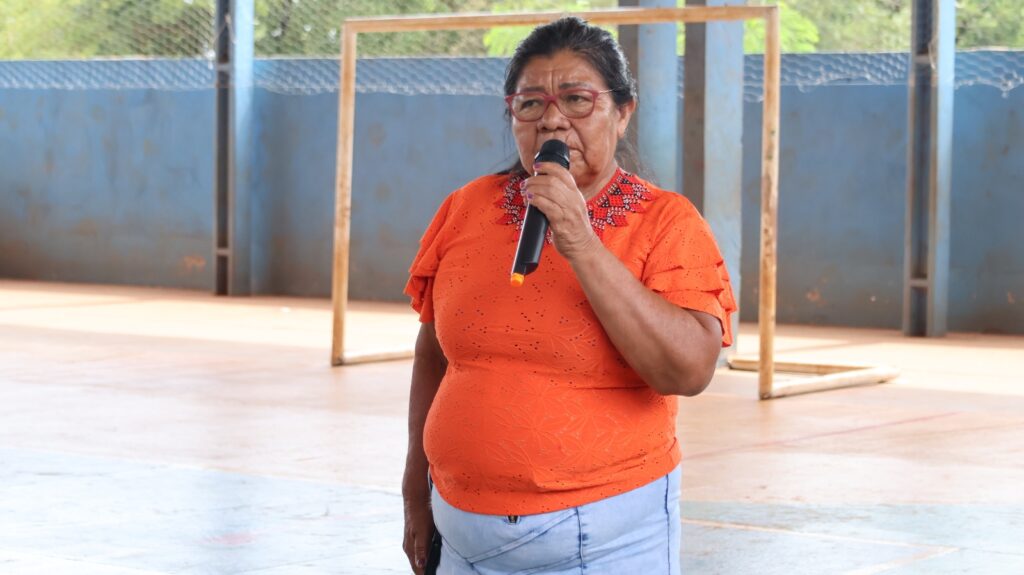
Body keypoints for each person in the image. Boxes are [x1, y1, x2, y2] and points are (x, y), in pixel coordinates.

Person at [401, 16, 736, 575]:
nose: (553, 119)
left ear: (622, 112)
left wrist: (580, 242)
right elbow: (433, 353)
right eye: (530, 104)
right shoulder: (467, 208)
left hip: (605, 541)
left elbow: (689, 370)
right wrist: (416, 484)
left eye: (578, 100)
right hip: (461, 538)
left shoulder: (665, 222)